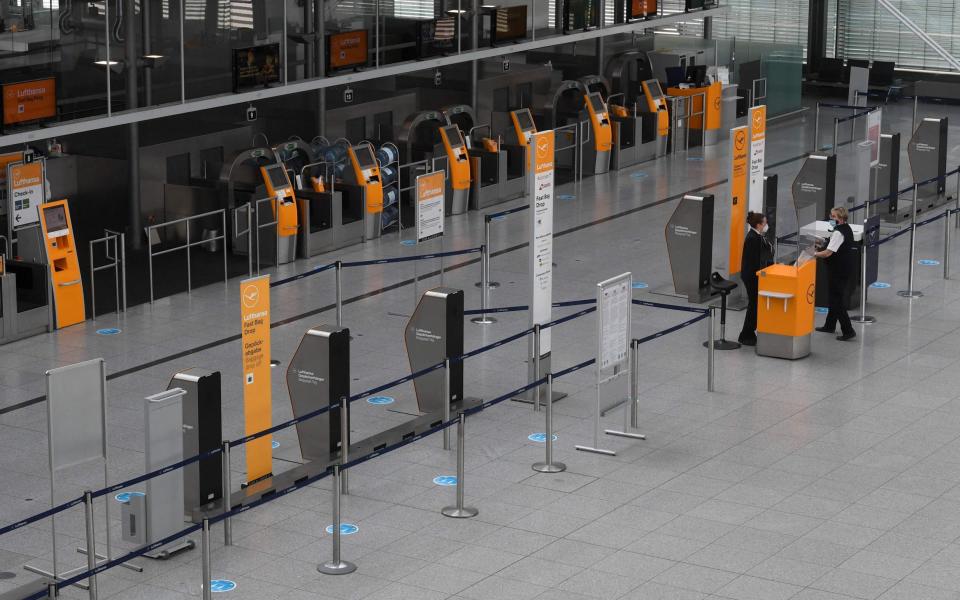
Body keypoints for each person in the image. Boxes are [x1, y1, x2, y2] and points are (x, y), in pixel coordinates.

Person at [814, 206, 857, 341]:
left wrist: (813, 254)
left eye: (833, 217)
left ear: (840, 218)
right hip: (844, 268)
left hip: (838, 270)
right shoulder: (846, 228)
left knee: (836, 300)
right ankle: (830, 325)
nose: (831, 218)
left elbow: (828, 253)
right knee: (834, 297)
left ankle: (848, 330)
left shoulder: (839, 232)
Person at [738, 211, 774, 346]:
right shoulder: (754, 238)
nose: (767, 225)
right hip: (752, 277)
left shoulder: (757, 236)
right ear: (759, 225)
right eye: (765, 223)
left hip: (754, 275)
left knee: (755, 304)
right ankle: (746, 333)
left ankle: (748, 332)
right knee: (754, 304)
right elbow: (758, 260)